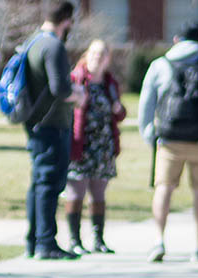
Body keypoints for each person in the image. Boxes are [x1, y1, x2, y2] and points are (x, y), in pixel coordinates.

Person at [138, 20, 198, 262]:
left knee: (163, 189)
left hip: (168, 140)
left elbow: (146, 104)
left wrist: (150, 134)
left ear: (176, 40)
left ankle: (158, 241)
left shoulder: (160, 64)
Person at [22, 2, 83, 260]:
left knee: (38, 183)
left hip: (35, 123)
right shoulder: (54, 46)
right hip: (52, 125)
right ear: (66, 19)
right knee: (49, 184)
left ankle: (34, 241)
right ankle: (46, 243)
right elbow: (60, 89)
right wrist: (78, 93)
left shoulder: (33, 42)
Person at [66, 39, 126, 254]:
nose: (97, 58)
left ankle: (98, 240)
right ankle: (75, 240)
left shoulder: (110, 83)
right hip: (81, 144)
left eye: (101, 55)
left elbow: (119, 114)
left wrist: (118, 108)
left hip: (103, 146)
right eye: (93, 54)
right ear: (87, 54)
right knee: (76, 192)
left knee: (99, 194)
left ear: (107, 59)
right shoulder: (77, 78)